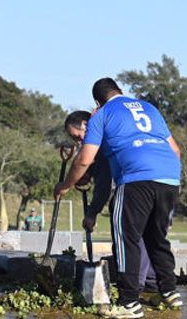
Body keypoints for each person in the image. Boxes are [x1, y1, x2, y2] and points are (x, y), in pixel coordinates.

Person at [55, 79, 182, 319]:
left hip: (136, 179)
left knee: (125, 239)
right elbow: (176, 150)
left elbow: (84, 158)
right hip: (170, 177)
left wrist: (65, 185)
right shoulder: (149, 108)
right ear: (120, 91)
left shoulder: (101, 115)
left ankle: (129, 303)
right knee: (158, 238)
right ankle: (170, 291)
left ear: (96, 101)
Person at [63, 110, 157, 291]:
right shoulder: (119, 130)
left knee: (130, 237)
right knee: (148, 237)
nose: (80, 142)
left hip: (135, 186)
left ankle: (133, 288)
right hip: (160, 182)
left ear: (86, 124)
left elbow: (104, 184)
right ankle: (152, 283)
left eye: (78, 136)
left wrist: (91, 213)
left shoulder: (103, 141)